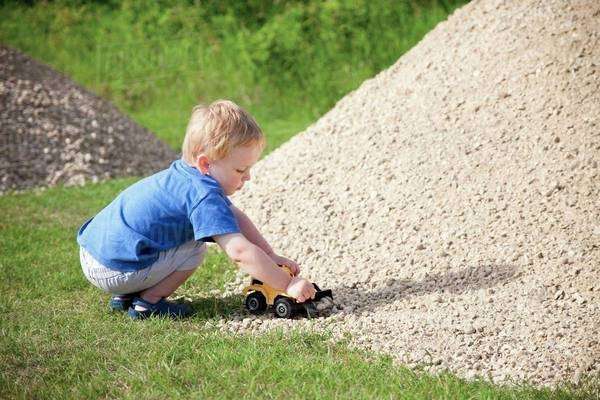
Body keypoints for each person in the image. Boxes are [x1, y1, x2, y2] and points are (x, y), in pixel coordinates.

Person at [77, 99, 316, 319]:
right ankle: (147, 302)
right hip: (115, 269)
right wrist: (287, 285)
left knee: (180, 238)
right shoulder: (203, 195)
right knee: (195, 248)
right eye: (240, 170)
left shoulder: (185, 176)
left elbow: (235, 217)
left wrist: (271, 257)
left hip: (94, 255)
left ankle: (126, 295)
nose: (248, 177)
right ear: (205, 163)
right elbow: (239, 252)